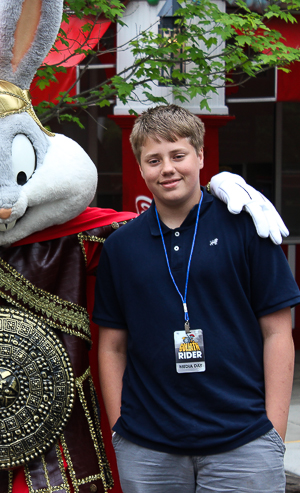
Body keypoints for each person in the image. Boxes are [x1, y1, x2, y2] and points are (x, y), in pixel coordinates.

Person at [93, 104, 300, 493]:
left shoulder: (248, 225)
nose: (167, 168)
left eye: (178, 155)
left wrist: (273, 430)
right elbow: (113, 345)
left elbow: (277, 332)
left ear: (201, 156)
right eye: (153, 159)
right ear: (140, 168)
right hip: (148, 447)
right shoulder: (120, 247)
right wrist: (122, 427)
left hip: (243, 440)